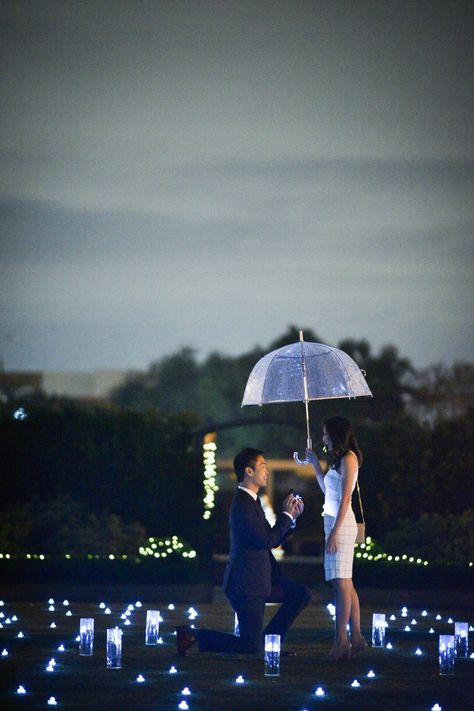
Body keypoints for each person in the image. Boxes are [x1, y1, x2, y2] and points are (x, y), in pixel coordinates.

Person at [176, 447, 312, 656]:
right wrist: (285, 515)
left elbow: (271, 539)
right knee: (249, 647)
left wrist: (291, 518)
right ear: (249, 471)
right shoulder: (242, 504)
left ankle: (269, 644)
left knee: (301, 594)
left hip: (261, 580)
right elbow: (266, 540)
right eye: (263, 466)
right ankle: (193, 635)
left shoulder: (252, 501)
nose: (267, 471)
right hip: (246, 585)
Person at [306, 416, 367, 661]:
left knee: (341, 581)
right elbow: (327, 491)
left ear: (335, 434)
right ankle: (357, 638)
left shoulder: (349, 459)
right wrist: (314, 465)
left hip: (341, 524)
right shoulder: (337, 461)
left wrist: (334, 532)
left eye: (325, 434)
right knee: (344, 581)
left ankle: (342, 640)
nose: (323, 438)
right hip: (331, 521)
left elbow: (345, 499)